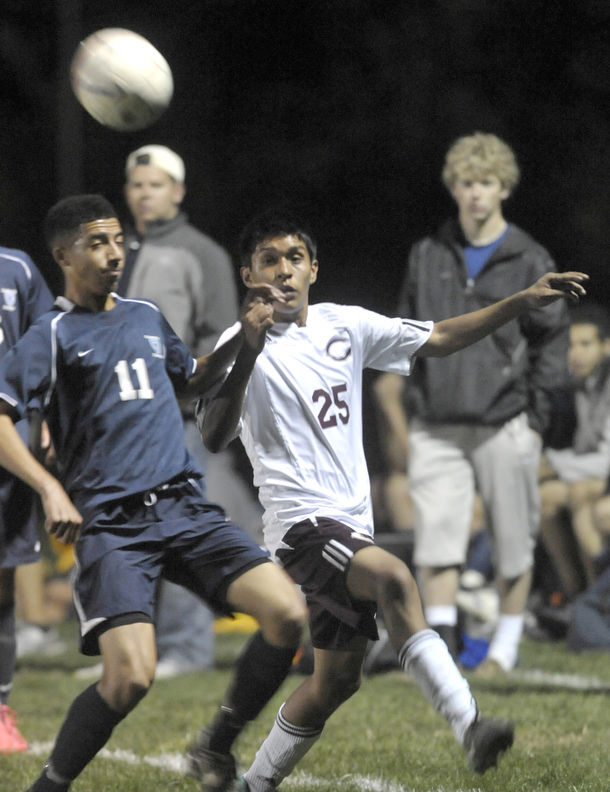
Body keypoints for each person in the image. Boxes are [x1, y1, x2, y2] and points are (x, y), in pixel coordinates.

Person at [191, 209, 586, 790]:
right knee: (397, 579)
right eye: (269, 260)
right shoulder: (234, 345)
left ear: (313, 270)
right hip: (303, 527)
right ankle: (470, 725)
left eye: (294, 258)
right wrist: (248, 351)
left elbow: (441, 336)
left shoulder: (343, 325)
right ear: (248, 274)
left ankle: (253, 783)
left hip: (352, 526)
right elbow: (213, 434)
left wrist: (520, 302)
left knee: (335, 683)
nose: (283, 270)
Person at [0, 194, 307, 792]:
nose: (114, 253)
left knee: (288, 613)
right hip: (114, 527)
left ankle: (215, 746)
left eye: (117, 240)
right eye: (97, 243)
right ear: (63, 255)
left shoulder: (143, 314)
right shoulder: (51, 335)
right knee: (130, 679)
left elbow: (191, 382)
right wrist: (49, 489)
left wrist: (242, 337)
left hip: (184, 508)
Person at [389, 132, 571, 673]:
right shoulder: (427, 253)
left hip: (504, 421)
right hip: (437, 422)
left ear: (504, 188)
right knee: (437, 542)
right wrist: (413, 400)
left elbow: (552, 341)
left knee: (515, 541)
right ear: (454, 187)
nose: (475, 194)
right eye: (467, 183)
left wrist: (535, 420)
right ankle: (441, 652)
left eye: (486, 183)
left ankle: (505, 651)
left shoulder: (528, 256)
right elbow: (406, 333)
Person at [117, 143, 239, 679]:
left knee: (181, 533)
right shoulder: (116, 249)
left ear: (178, 191)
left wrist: (186, 393)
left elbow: (222, 338)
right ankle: (130, 649)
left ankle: (187, 648)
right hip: (117, 421)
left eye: (155, 184)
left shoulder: (202, 252)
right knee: (122, 536)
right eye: (137, 185)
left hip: (176, 422)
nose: (145, 194)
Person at [0, 244, 54, 752]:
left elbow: (49, 341)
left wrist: (48, 416)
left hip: (7, 451)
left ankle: (0, 711)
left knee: (2, 589)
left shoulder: (16, 268)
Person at [539, 303, 610, 600]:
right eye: (571, 345)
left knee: (581, 494)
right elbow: (580, 448)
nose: (576, 353)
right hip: (596, 476)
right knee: (541, 498)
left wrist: (553, 466)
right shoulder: (578, 388)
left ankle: (600, 599)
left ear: (606, 347)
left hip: (602, 477)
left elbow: (606, 460)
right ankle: (573, 595)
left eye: (585, 344)